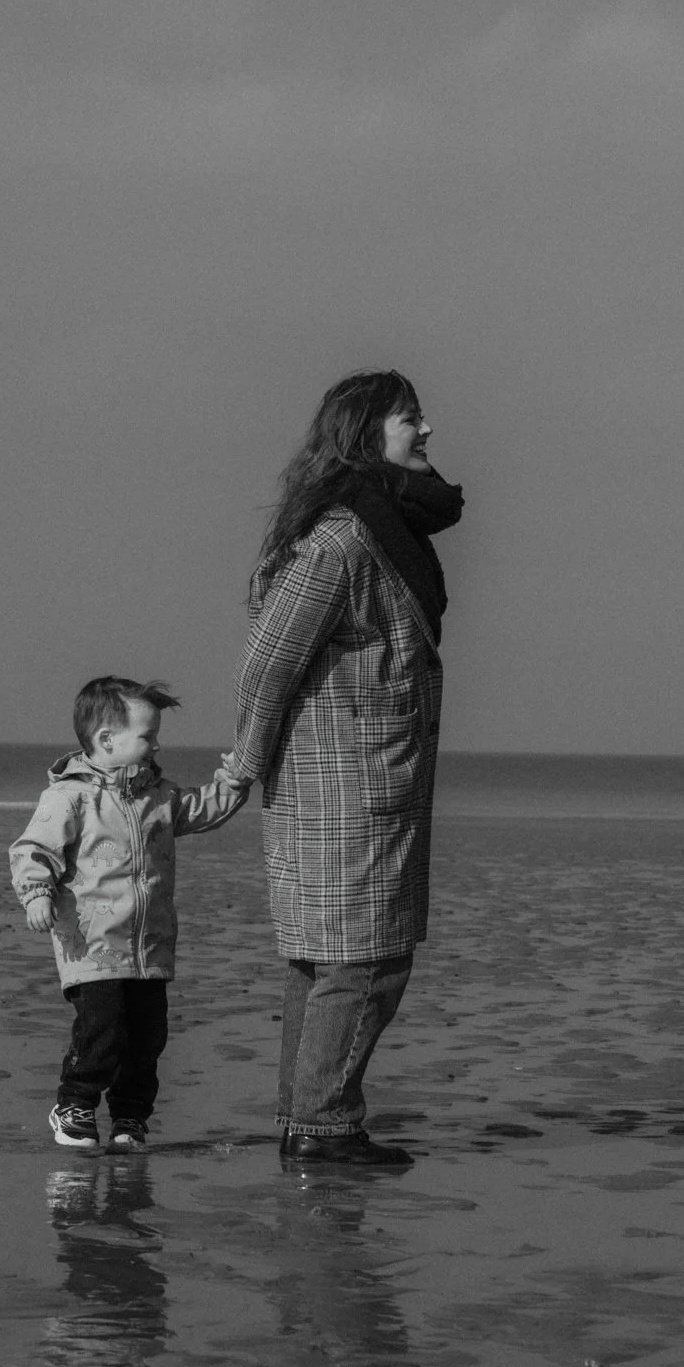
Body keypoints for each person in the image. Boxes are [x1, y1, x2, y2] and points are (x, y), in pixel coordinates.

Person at [227, 370, 464, 1166]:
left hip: (364, 777)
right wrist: (242, 765)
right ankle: (323, 1126)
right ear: (366, 434)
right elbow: (266, 664)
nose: (426, 430)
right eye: (409, 418)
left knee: (330, 957)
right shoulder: (342, 540)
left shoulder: (379, 527)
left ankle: (307, 1121)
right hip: (342, 783)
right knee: (363, 962)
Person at [10, 676, 248, 1150]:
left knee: (146, 1040)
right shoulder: (71, 796)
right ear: (107, 739)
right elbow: (32, 848)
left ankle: (130, 1119)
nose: (156, 745)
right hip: (92, 946)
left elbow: (202, 809)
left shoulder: (158, 796)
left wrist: (235, 781)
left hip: (149, 948)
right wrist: (36, 893)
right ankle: (75, 1105)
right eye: (147, 736)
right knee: (101, 1031)